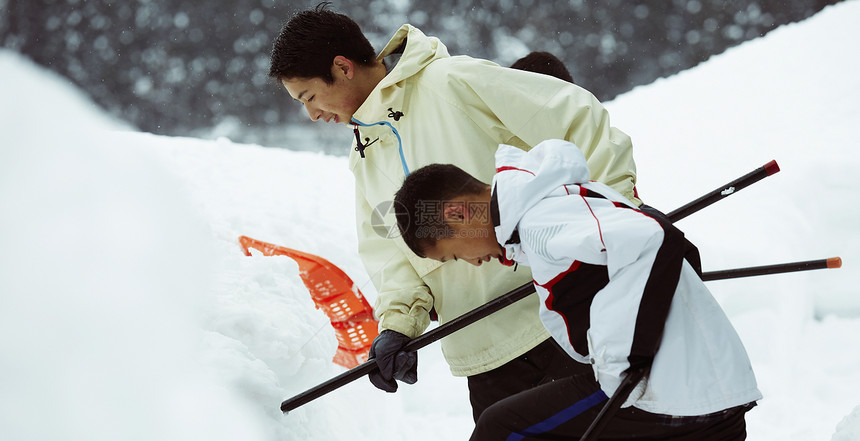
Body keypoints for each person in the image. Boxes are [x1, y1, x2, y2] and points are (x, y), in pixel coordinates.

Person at [269, 3, 641, 421]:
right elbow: (391, 254)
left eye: (309, 96)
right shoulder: (364, 156)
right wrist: (397, 325)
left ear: (342, 67)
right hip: (482, 352)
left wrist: (619, 212)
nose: (311, 114)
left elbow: (576, 118)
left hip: (562, 315)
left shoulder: (449, 82)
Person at [393, 139, 762, 440]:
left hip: (674, 393)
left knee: (501, 428)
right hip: (701, 393)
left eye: (455, 254)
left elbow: (653, 237)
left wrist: (623, 363)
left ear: (458, 215)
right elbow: (660, 238)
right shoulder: (557, 204)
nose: (472, 263)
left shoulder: (542, 221)